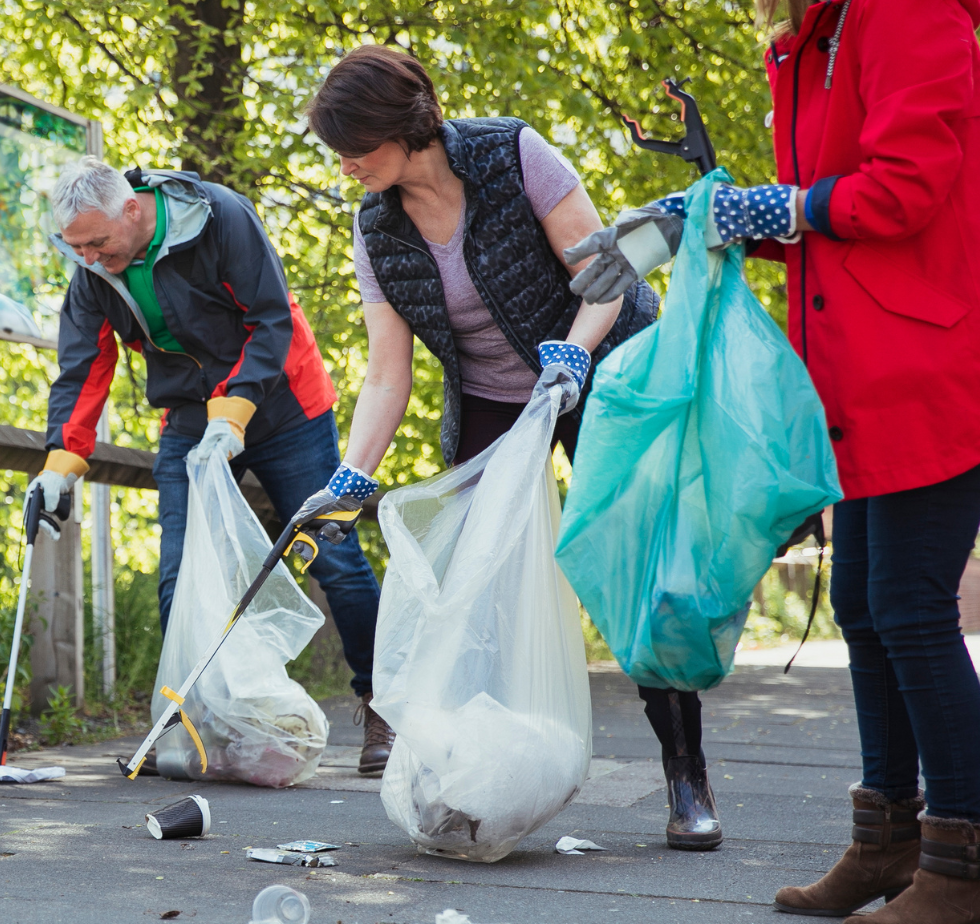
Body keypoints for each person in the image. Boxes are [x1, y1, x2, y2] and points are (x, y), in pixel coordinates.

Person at [569, 0, 980, 918]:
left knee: (913, 611)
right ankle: (888, 845)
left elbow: (902, 191)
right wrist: (704, 221)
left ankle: (965, 871)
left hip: (933, 364)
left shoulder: (906, 14)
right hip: (859, 376)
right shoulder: (817, 37)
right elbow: (826, 216)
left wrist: (764, 205)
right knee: (863, 607)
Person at [297, 45, 742, 852]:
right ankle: (474, 780)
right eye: (339, 151)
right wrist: (351, 475)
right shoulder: (377, 228)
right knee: (468, 587)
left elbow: (604, 274)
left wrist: (570, 357)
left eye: (355, 143)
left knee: (629, 568)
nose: (348, 164)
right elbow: (387, 376)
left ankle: (686, 774)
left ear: (403, 123)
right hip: (495, 402)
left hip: (602, 364)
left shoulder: (511, 152)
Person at [26, 155, 397, 775]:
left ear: (133, 210)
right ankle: (193, 721)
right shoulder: (91, 269)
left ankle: (384, 706)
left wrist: (237, 412)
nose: (87, 258)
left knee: (332, 555)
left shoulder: (219, 216)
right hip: (190, 418)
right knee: (180, 573)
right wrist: (62, 461)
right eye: (75, 247)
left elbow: (269, 318)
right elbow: (84, 365)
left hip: (285, 404)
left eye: (96, 242)